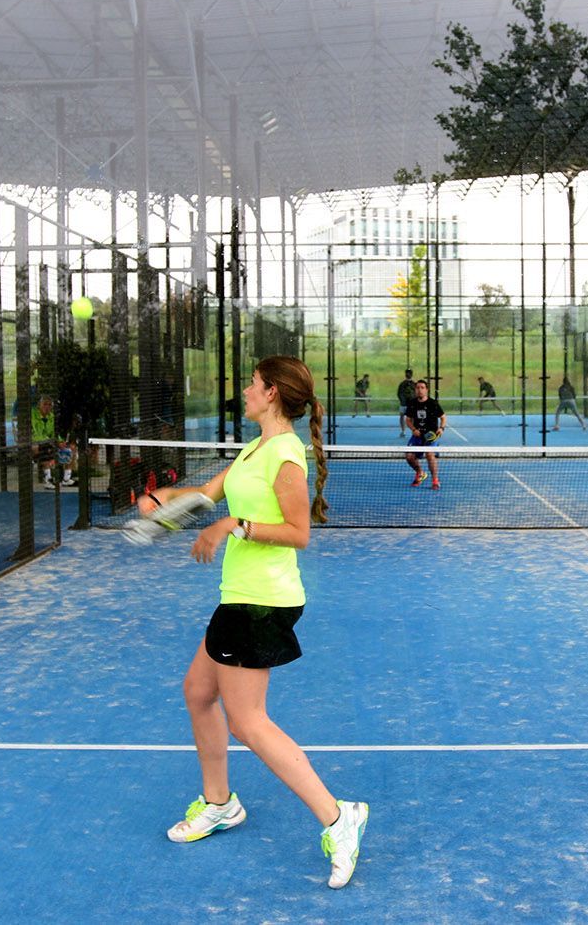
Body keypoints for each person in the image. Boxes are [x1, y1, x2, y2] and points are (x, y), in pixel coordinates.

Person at [136, 355, 368, 889]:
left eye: (252, 383)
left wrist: (232, 527)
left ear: (271, 394)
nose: (244, 389)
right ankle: (219, 803)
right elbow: (209, 493)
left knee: (248, 722)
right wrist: (161, 500)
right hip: (238, 597)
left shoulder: (287, 455)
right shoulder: (255, 448)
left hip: (261, 602)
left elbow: (297, 531)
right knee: (198, 691)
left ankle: (338, 817)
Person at [401, 379, 445, 489]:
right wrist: (413, 429)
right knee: (409, 457)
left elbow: (443, 417)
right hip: (417, 436)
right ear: (415, 390)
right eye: (418, 388)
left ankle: (435, 480)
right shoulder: (412, 403)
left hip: (431, 436)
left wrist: (441, 428)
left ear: (426, 390)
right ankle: (420, 472)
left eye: (422, 388)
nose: (420, 390)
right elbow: (408, 420)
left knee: (430, 455)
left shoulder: (433, 403)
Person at [32, 394, 62, 485]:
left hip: (47, 442)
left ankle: (66, 478)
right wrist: (48, 441)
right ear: (39, 405)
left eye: (49, 405)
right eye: (45, 404)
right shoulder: (32, 415)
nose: (47, 407)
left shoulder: (51, 417)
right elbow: (34, 434)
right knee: (45, 448)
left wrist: (60, 441)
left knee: (67, 448)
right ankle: (48, 479)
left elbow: (54, 432)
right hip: (33, 442)